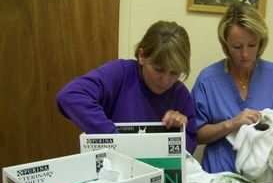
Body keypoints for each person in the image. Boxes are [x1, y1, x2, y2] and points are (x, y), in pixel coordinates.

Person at [191, 3, 273, 182]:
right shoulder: (208, 79)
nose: (245, 54)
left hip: (268, 178)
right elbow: (196, 134)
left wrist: (266, 135)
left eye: (252, 45)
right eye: (237, 47)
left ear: (261, 42)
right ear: (225, 44)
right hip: (220, 178)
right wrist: (230, 125)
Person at [56, 20, 197, 154]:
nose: (166, 81)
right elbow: (70, 96)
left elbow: (189, 149)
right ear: (142, 56)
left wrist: (179, 131)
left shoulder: (180, 94)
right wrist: (115, 140)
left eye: (175, 73)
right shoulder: (121, 73)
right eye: (159, 69)